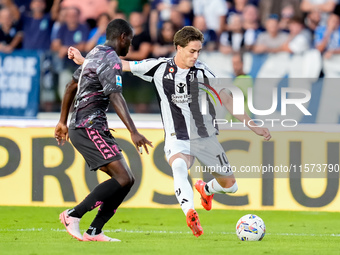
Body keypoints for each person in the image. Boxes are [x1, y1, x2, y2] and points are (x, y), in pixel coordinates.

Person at [68, 26, 271, 238]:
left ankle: (206, 189)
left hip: (205, 137)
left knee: (230, 187)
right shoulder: (158, 67)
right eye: (192, 51)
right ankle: (190, 212)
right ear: (178, 48)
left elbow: (226, 98)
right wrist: (84, 61)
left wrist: (252, 124)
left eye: (198, 51)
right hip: (177, 137)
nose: (196, 56)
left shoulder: (203, 72)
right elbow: (122, 65)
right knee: (180, 166)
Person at [55, 18, 153, 242]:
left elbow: (72, 85)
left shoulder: (95, 53)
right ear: (123, 37)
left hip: (88, 126)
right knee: (123, 177)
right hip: (87, 126)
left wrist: (62, 121)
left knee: (126, 179)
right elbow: (115, 95)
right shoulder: (111, 59)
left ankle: (95, 230)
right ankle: (73, 214)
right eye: (130, 40)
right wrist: (133, 131)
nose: (131, 45)